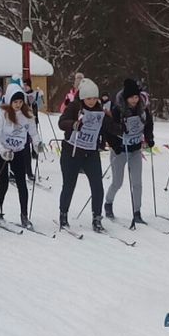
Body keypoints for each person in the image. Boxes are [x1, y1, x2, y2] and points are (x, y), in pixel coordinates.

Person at [57, 78, 108, 231]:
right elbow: (61, 122)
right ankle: (63, 215)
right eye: (88, 98)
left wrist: (119, 131)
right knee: (69, 184)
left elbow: (107, 128)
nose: (91, 101)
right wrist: (73, 125)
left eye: (94, 98)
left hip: (91, 153)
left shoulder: (100, 110)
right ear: (82, 98)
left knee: (97, 185)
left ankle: (97, 218)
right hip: (71, 151)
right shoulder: (74, 107)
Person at [104, 79, 155, 225]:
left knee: (137, 182)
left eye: (136, 97)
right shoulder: (117, 110)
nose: (135, 100)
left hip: (135, 150)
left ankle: (137, 212)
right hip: (120, 151)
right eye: (132, 97)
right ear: (126, 97)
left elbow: (148, 126)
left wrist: (149, 139)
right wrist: (115, 145)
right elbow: (108, 130)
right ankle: (108, 203)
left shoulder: (143, 109)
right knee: (117, 182)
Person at [0, 84, 41, 227]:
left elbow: (34, 133)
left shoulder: (28, 115)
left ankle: (24, 216)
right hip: (1, 152)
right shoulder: (2, 114)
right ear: (9, 101)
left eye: (20, 102)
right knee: (4, 184)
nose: (18, 105)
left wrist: (37, 144)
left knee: (22, 183)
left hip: (18, 152)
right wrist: (3, 151)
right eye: (15, 102)